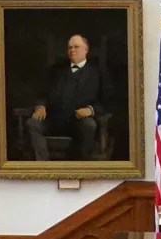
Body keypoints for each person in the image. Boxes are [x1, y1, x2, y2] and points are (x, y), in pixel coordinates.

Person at [19, 30, 114, 161]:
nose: (72, 50)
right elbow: (44, 93)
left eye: (76, 47)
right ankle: (43, 166)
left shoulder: (97, 72)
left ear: (86, 49)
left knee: (89, 126)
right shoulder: (56, 69)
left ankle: (75, 166)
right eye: (70, 47)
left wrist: (91, 110)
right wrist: (40, 105)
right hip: (53, 118)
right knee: (32, 123)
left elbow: (108, 101)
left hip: (78, 120)